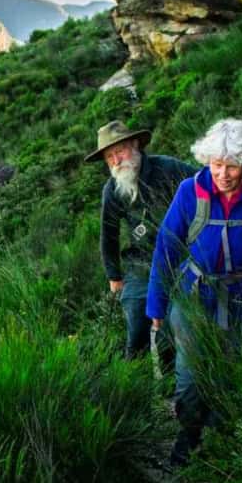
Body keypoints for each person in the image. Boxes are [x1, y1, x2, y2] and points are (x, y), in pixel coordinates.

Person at [146, 118, 242, 466]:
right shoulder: (190, 192)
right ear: (206, 161)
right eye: (216, 164)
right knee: (188, 376)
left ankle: (217, 441)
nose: (223, 174)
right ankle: (188, 436)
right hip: (193, 297)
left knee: (230, 371)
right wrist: (156, 303)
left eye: (231, 165)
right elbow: (166, 247)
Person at [86, 120, 197, 361]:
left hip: (181, 256)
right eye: (109, 157)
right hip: (141, 264)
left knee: (175, 320)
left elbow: (203, 184)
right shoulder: (112, 190)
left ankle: (173, 374)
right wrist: (114, 275)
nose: (116, 161)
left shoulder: (167, 168)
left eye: (119, 152)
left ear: (135, 144)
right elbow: (109, 233)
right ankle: (134, 377)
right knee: (137, 319)